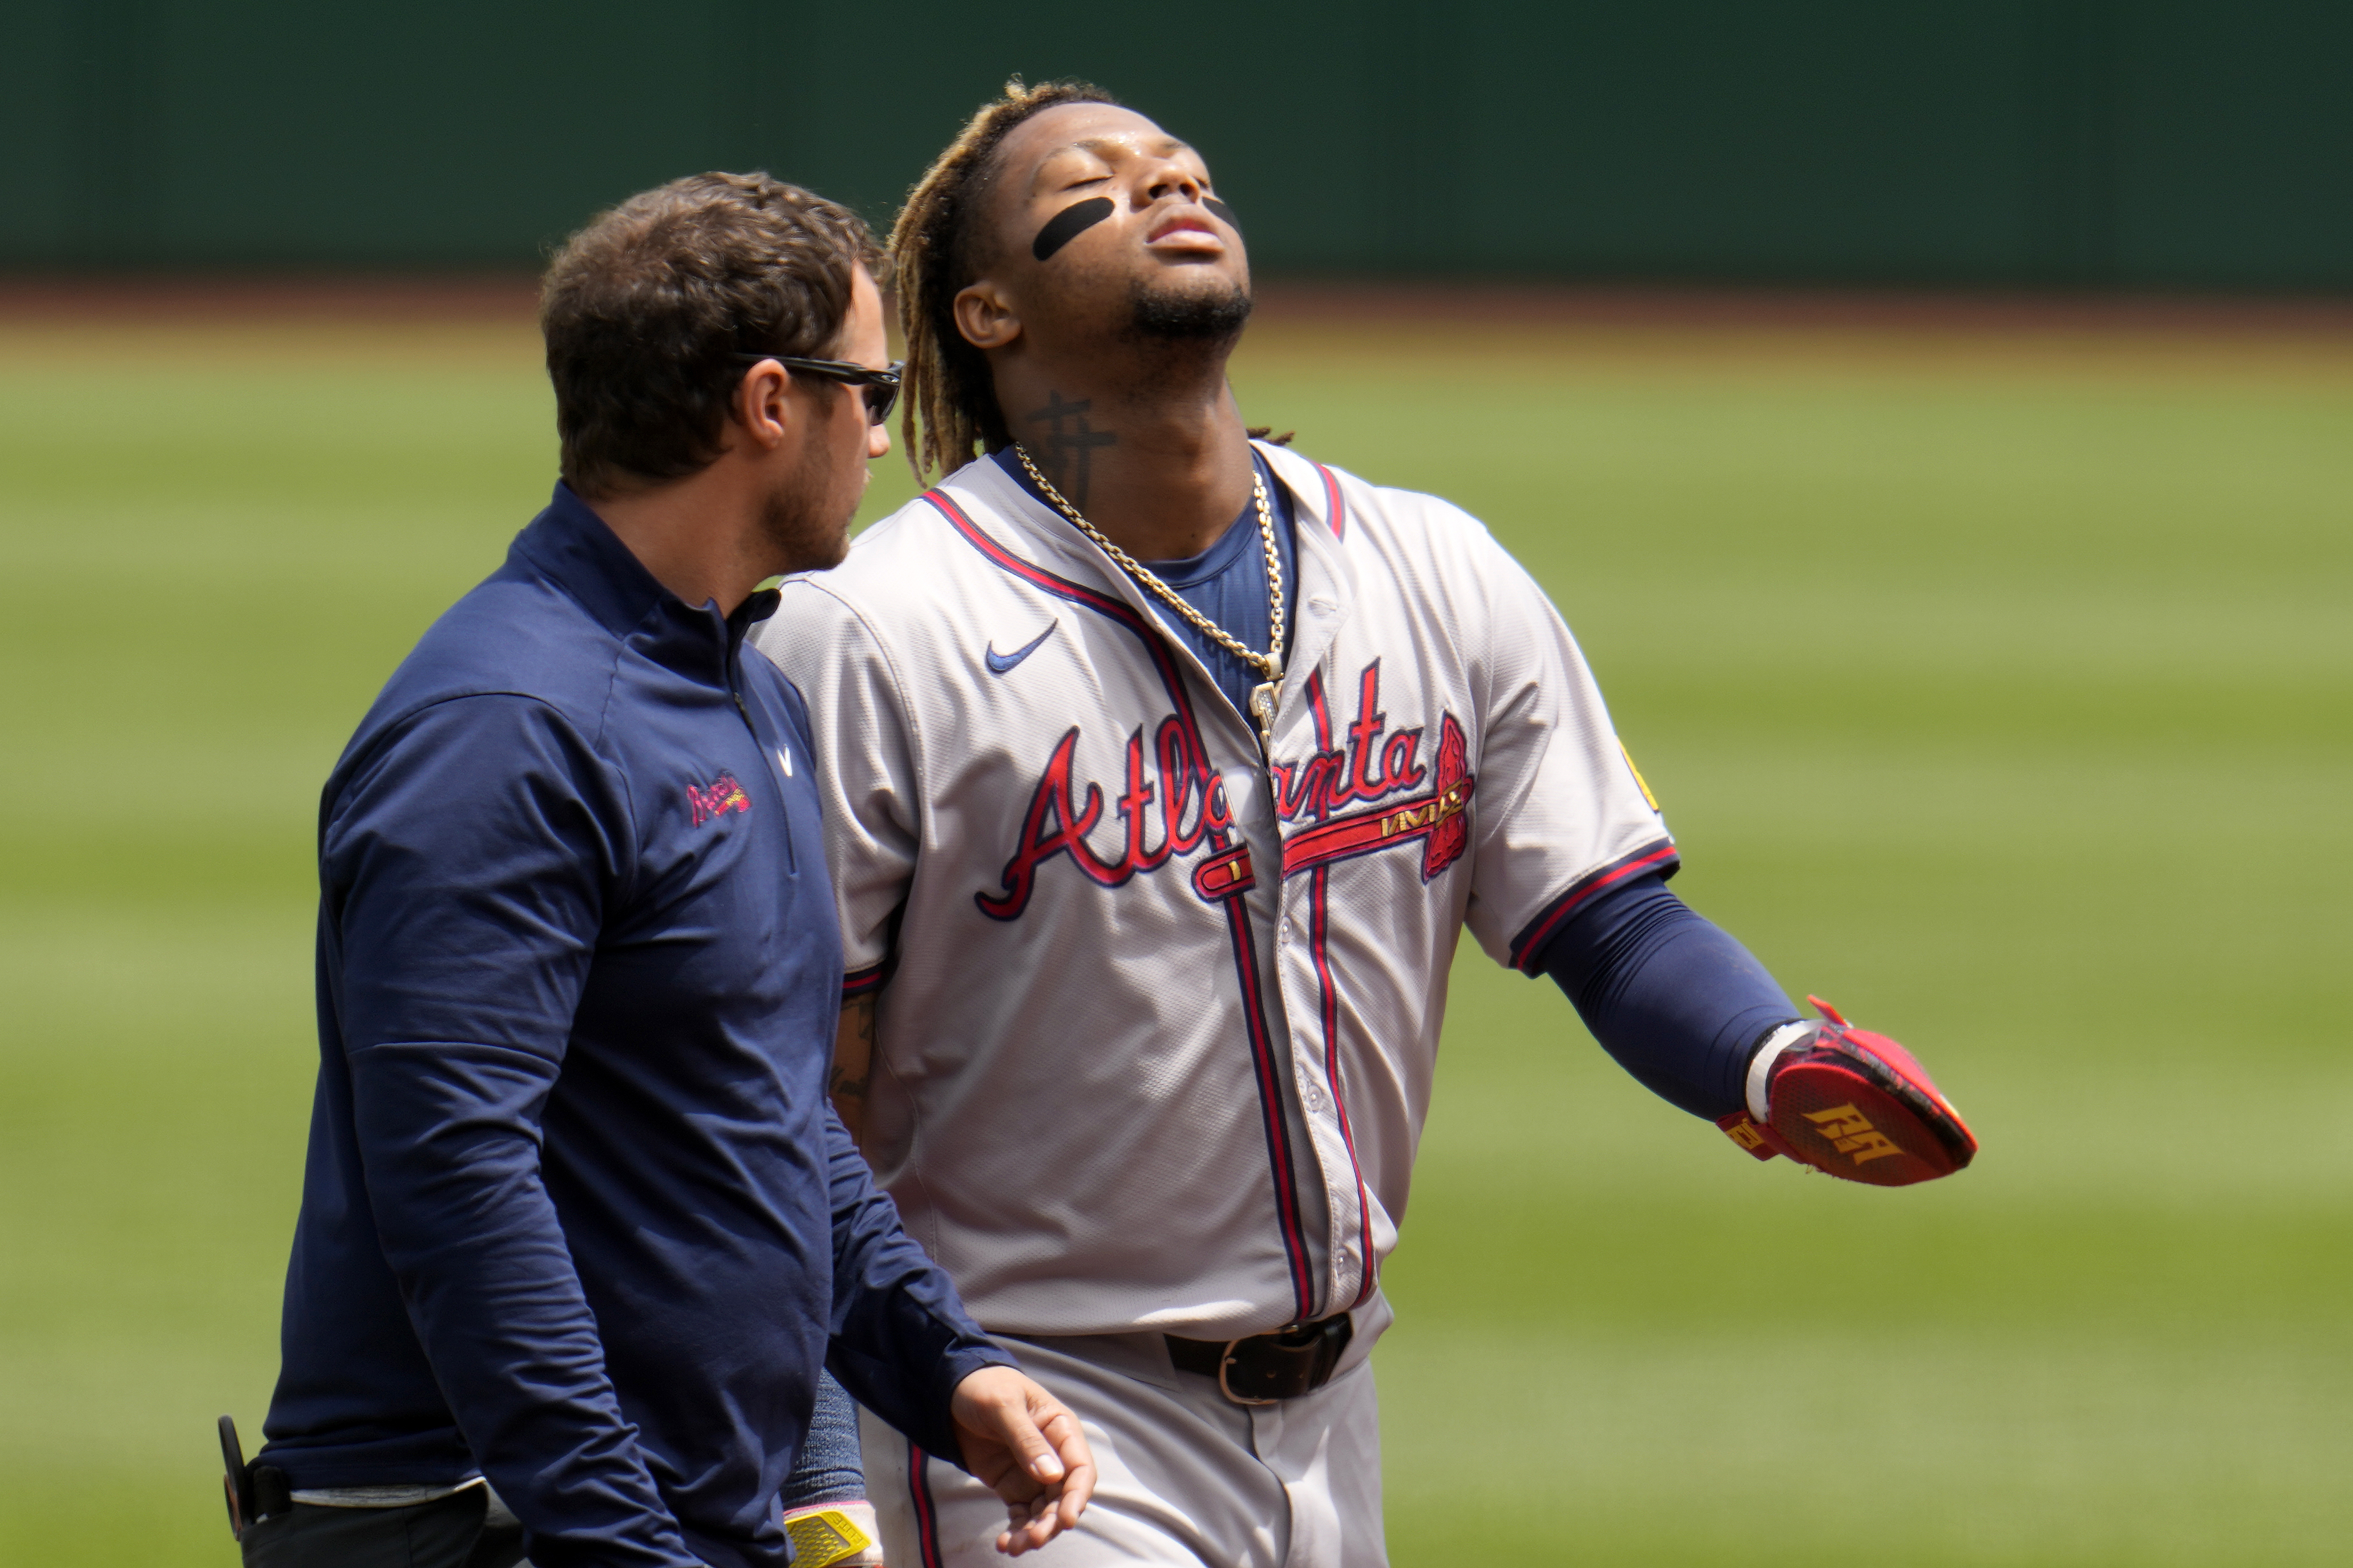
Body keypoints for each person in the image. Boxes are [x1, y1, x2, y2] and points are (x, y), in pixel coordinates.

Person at [754, 83, 1973, 1568]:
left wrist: (1763, 1056)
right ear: (988, 310)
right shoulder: (875, 633)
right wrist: (823, 1422)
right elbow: (768, 1077)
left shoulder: (1429, 567)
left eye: (1183, 168)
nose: (1167, 184)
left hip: (1332, 1427)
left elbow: (1603, 913)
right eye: (1097, 182)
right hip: (1030, 1417)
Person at [229, 171, 1094, 1568]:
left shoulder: (739, 686)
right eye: (869, 397)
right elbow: (459, 1184)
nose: (884, 442)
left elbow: (755, 1098)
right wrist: (627, 1544)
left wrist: (940, 1364)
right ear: (769, 403)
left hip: (634, 1522)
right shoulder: (507, 730)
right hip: (496, 1529)